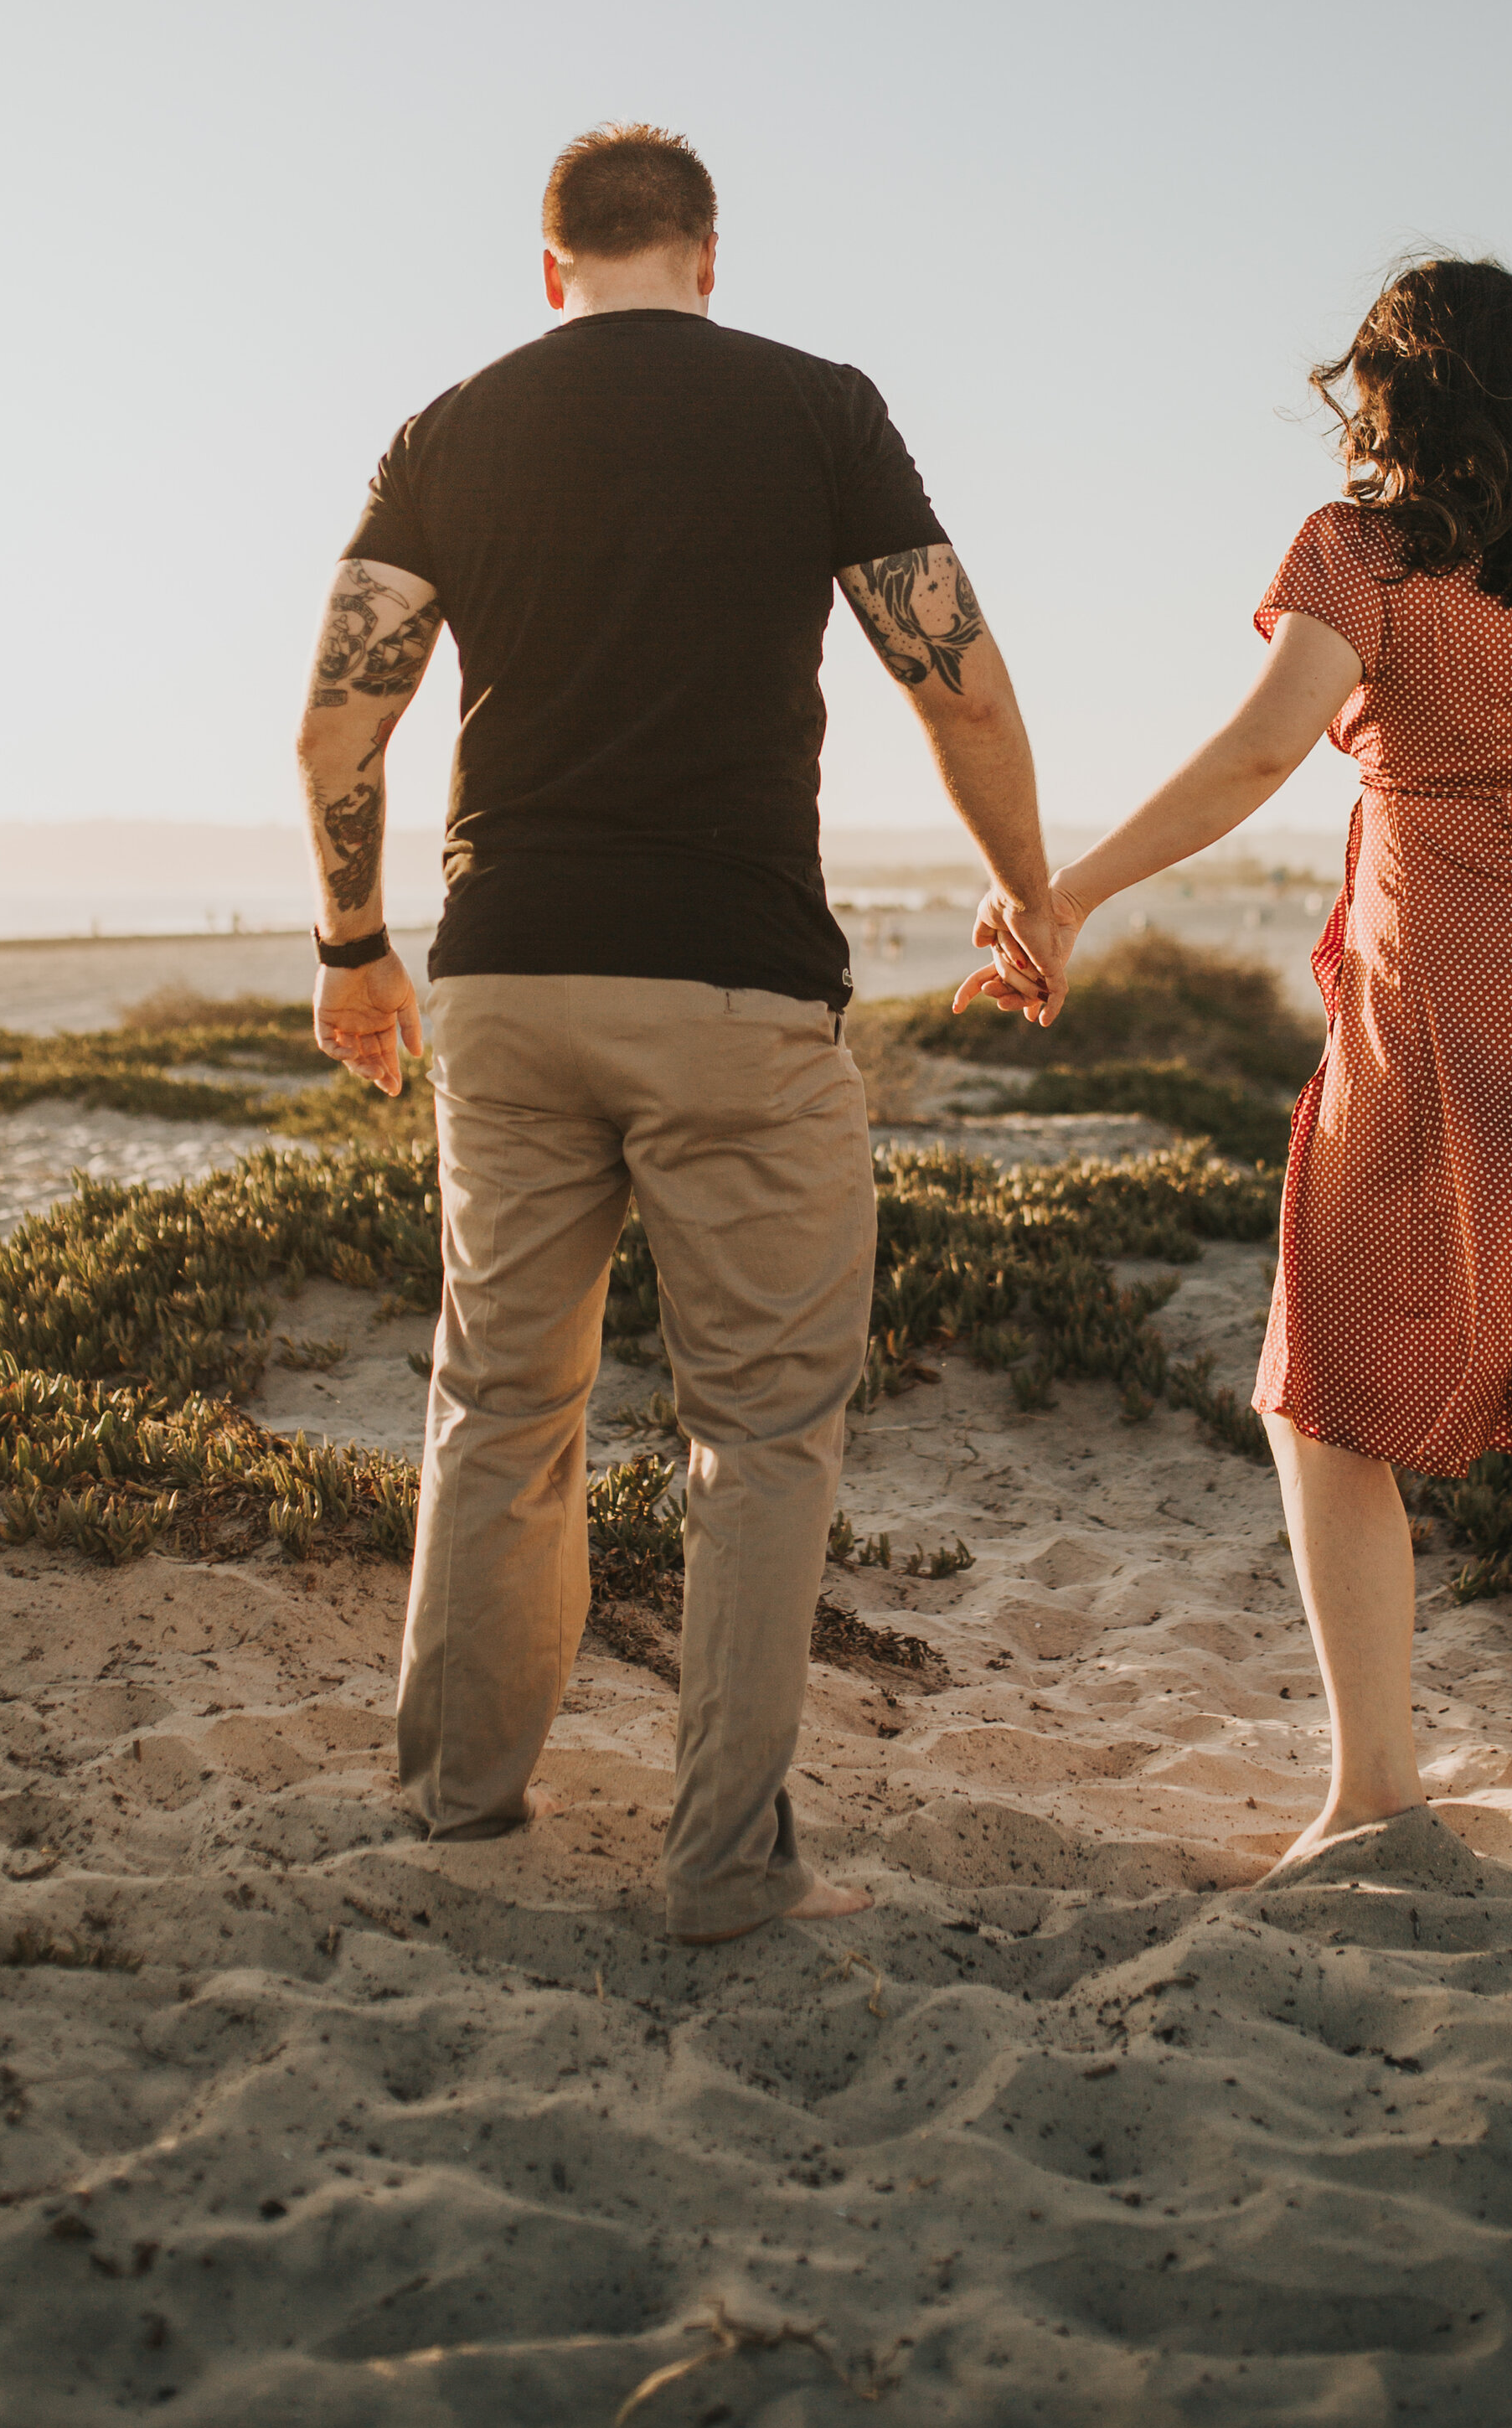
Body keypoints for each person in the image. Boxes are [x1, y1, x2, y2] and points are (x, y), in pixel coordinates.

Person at [296, 122, 1066, 1942]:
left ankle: (457, 1805)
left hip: (506, 974)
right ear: (708, 259)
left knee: (496, 1400)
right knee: (763, 1432)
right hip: (733, 980)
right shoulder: (815, 409)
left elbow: (339, 726)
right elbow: (950, 680)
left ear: (547, 269)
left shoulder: (449, 425)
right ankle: (723, 1866)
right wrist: (1025, 892)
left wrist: (351, 944)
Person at [963, 256, 1512, 1857]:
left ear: (1391, 395)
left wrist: (1069, 892)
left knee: (1320, 1396)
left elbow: (1258, 747)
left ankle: (1380, 1787)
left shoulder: (1359, 556)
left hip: (1449, 986)